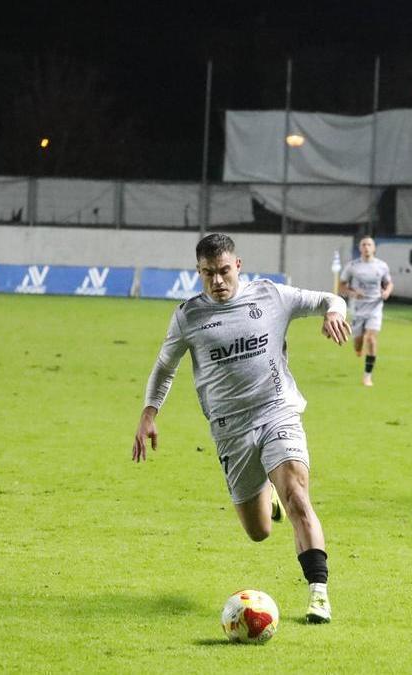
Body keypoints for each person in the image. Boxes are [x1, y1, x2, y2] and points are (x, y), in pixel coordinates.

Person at [132, 233, 350, 623]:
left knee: (299, 496)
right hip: (231, 430)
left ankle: (318, 593)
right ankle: (269, 496)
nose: (217, 281)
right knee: (259, 531)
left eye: (224, 271)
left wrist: (334, 312)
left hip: (277, 412)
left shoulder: (270, 296)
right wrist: (149, 413)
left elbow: (329, 299)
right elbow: (165, 367)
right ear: (198, 272)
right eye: (208, 273)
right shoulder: (188, 316)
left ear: (238, 265)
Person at [339, 236, 392, 386]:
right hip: (358, 308)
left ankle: (367, 376)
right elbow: (341, 286)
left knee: (371, 338)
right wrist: (353, 293)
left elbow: (389, 283)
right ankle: (358, 348)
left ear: (374, 248)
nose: (366, 247)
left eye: (369, 244)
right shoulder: (352, 266)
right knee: (358, 343)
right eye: (364, 245)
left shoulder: (382, 266)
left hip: (375, 307)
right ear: (360, 248)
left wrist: (387, 292)